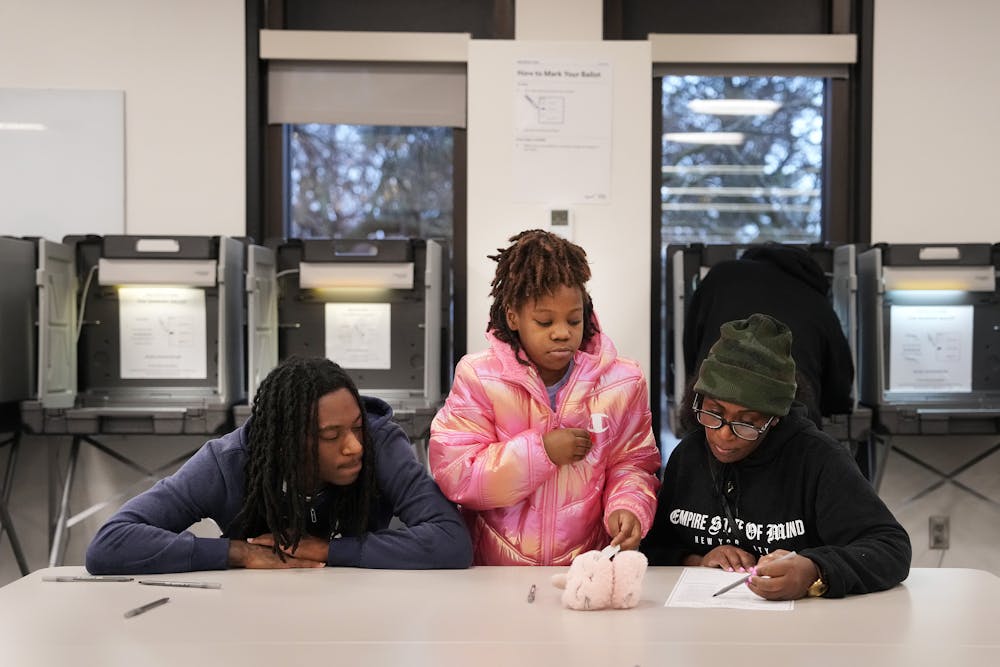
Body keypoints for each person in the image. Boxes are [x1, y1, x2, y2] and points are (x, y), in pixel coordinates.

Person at [86, 356, 473, 574]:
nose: (354, 446)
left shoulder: (381, 443)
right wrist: (239, 553)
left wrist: (324, 550)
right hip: (256, 623)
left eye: (356, 427)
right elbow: (110, 544)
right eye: (330, 435)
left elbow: (452, 543)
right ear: (287, 441)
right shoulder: (228, 462)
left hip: (359, 622)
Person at [429, 229, 661, 565]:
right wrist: (542, 452)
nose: (562, 332)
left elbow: (634, 465)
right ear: (513, 317)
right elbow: (456, 474)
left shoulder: (623, 381)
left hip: (587, 568)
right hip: (494, 572)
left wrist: (628, 507)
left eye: (574, 320)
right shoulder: (478, 376)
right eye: (544, 321)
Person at [643, 313, 910, 599]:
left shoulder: (818, 460)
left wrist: (815, 570)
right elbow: (654, 546)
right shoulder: (689, 456)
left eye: (747, 422)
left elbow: (891, 547)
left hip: (800, 633)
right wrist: (698, 560)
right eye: (714, 413)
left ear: (775, 419)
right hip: (707, 629)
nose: (724, 434)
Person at [683, 243, 854, 427]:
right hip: (791, 422)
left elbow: (691, 346)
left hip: (715, 410)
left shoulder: (721, 277)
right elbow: (839, 385)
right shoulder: (817, 301)